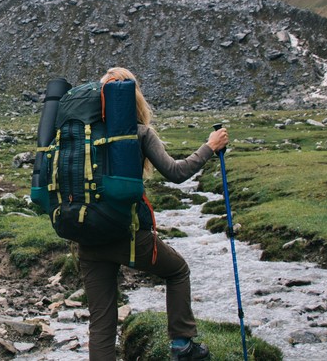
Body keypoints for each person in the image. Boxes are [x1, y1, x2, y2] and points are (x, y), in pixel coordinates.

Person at [79, 67, 229, 361]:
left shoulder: (83, 134)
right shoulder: (139, 132)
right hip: (129, 236)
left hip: (87, 236)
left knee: (101, 322)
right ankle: (182, 344)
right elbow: (176, 172)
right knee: (177, 271)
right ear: (133, 99)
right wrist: (210, 146)